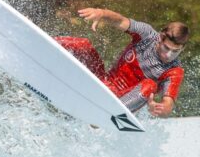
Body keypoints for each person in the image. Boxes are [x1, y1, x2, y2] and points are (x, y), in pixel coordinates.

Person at [54, 8, 189, 117]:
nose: (168, 55)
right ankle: (40, 42)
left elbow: (168, 104)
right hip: (104, 82)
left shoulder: (174, 71)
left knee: (150, 84)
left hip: (121, 102)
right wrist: (101, 13)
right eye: (166, 48)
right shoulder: (146, 34)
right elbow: (120, 21)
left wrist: (160, 109)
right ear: (160, 38)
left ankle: (111, 113)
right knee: (83, 44)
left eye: (175, 51)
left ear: (182, 48)